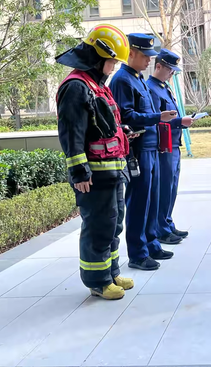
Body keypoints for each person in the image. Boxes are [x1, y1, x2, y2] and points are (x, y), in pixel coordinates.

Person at [56, 24, 135, 300]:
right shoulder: (76, 87)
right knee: (98, 226)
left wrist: (122, 133)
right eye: (112, 60)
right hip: (94, 177)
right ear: (98, 56)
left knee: (114, 224)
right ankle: (98, 282)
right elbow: (71, 133)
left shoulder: (97, 86)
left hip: (112, 173)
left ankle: (111, 272)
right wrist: (79, 172)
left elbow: (100, 126)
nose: (113, 66)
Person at [110, 33, 177, 271]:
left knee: (152, 199)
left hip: (151, 148)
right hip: (137, 150)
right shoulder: (122, 80)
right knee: (139, 202)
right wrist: (157, 117)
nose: (149, 60)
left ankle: (151, 243)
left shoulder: (138, 78)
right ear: (131, 53)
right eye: (145, 56)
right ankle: (138, 253)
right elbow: (126, 116)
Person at [147, 49, 194, 243]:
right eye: (169, 70)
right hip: (163, 146)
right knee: (164, 188)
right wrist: (179, 122)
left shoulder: (164, 87)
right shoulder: (151, 88)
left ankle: (167, 223)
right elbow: (157, 119)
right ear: (158, 66)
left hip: (173, 144)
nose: (172, 74)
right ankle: (161, 229)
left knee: (172, 187)